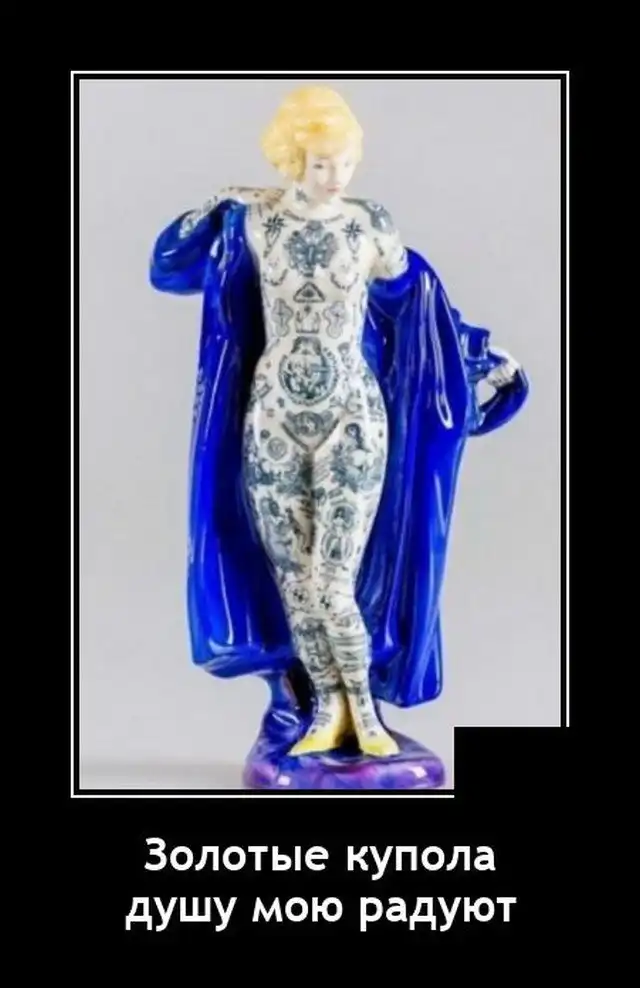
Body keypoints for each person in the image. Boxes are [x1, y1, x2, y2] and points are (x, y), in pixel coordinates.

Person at [149, 86, 528, 764]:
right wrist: (214, 207)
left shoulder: (370, 223)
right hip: (272, 419)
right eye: (321, 162)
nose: (335, 175)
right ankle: (326, 708)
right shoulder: (255, 222)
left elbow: (417, 299)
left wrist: (470, 354)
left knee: (333, 580)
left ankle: (366, 713)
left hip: (351, 417)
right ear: (291, 158)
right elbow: (169, 272)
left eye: (346, 161)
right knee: (296, 581)